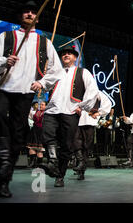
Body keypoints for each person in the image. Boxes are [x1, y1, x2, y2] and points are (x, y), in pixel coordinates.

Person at [0, 0, 62, 198]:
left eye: (33, 12)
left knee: (18, 134)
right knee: (1, 122)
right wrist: (4, 60)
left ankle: (5, 176)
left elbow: (57, 70)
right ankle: (3, 173)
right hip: (2, 88)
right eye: (25, 11)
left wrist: (42, 83)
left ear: (37, 17)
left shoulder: (44, 42)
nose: (29, 14)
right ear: (20, 16)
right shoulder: (7, 36)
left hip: (25, 92)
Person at [41, 45, 99, 188]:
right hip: (52, 110)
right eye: (64, 54)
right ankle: (53, 161)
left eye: (69, 54)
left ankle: (60, 175)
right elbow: (45, 86)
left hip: (70, 111)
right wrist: (42, 77)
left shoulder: (82, 72)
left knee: (67, 145)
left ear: (75, 57)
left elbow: (93, 90)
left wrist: (82, 106)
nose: (66, 55)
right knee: (47, 134)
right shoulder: (55, 72)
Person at [73, 91, 112, 180]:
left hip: (89, 121)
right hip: (78, 121)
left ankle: (81, 171)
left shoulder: (96, 93)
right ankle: (80, 162)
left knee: (85, 147)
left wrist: (98, 114)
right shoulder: (81, 92)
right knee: (75, 143)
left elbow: (107, 103)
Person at [26, 101, 46, 168]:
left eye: (43, 105)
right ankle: (32, 162)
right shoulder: (37, 112)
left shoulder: (46, 113)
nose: (41, 106)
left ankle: (39, 165)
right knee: (32, 147)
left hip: (41, 131)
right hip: (34, 131)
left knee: (39, 149)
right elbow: (31, 118)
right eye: (41, 105)